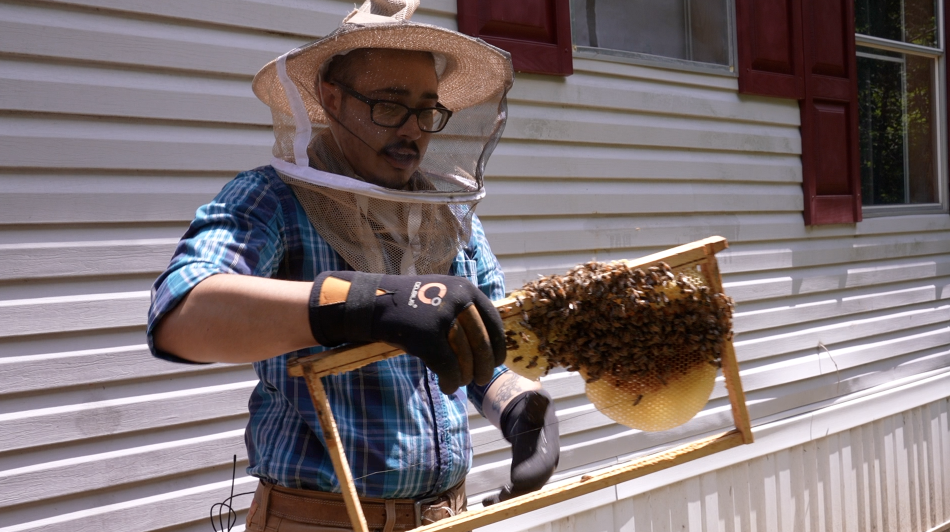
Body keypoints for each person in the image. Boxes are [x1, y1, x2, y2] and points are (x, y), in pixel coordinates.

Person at [146, 1, 560, 530]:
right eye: (389, 105)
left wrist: (520, 408)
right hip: (317, 519)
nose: (413, 130)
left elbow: (481, 350)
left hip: (445, 515)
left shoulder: (445, 217)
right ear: (332, 99)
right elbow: (181, 316)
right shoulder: (272, 200)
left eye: (427, 110)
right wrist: (366, 303)